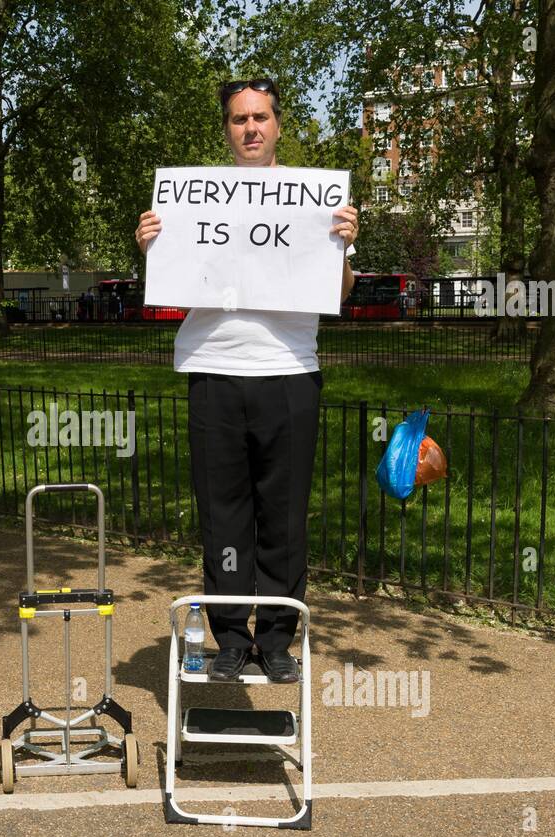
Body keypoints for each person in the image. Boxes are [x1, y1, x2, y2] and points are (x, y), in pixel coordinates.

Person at [134, 76, 360, 683]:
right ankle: (230, 635)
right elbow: (174, 279)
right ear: (227, 128)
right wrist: (152, 245)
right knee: (224, 511)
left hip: (289, 371)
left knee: (282, 513)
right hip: (214, 368)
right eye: (239, 119)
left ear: (279, 124)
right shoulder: (193, 200)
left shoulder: (314, 202)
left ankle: (279, 637)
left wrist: (341, 248)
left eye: (260, 116)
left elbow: (340, 294)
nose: (251, 128)